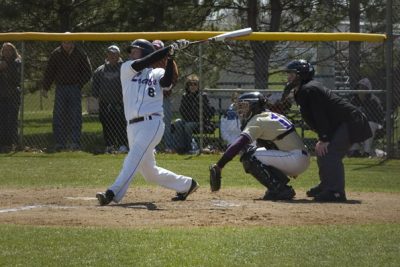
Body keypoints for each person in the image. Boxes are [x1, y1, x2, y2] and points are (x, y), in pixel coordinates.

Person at [96, 39, 199, 206]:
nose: (131, 54)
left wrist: (171, 57)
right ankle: (187, 184)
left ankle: (112, 193)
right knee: (149, 173)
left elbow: (167, 82)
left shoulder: (156, 72)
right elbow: (144, 62)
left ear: (145, 51)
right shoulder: (127, 69)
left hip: (152, 123)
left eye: (135, 50)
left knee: (133, 156)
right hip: (132, 126)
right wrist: (169, 49)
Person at [284, 59, 372, 202]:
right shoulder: (304, 89)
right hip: (341, 123)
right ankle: (327, 185)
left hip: (351, 121)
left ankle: (335, 191)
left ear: (301, 75)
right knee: (323, 152)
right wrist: (324, 138)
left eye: (292, 74)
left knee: (331, 153)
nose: (288, 77)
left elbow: (320, 114)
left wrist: (324, 138)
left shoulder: (309, 89)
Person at [210, 92, 310, 200]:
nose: (241, 110)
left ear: (254, 106)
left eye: (244, 106)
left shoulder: (258, 119)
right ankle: (279, 186)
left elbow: (238, 144)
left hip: (294, 158)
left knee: (249, 155)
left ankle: (279, 188)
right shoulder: (272, 115)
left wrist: (220, 165)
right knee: (253, 150)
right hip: (298, 156)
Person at [42, 39, 92, 151]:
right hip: (60, 88)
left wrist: (79, 84)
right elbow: (50, 71)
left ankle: (75, 143)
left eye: (69, 42)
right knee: (58, 116)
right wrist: (45, 87)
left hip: (75, 88)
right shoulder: (56, 53)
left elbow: (88, 72)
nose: (67, 45)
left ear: (73, 42)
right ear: (61, 43)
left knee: (75, 116)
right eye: (64, 42)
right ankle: (60, 143)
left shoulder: (80, 53)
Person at [92, 45, 128, 154]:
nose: (112, 56)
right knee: (106, 124)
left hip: (120, 103)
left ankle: (123, 145)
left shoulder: (124, 68)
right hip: (104, 103)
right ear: (107, 55)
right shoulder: (100, 70)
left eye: (115, 54)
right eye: (110, 53)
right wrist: (97, 96)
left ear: (119, 55)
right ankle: (109, 145)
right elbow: (95, 86)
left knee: (121, 124)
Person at [175, 74, 215, 154]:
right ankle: (181, 147)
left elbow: (210, 111)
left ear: (198, 86)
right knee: (177, 122)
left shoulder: (202, 96)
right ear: (188, 86)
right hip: (187, 120)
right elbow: (182, 111)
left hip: (200, 121)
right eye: (190, 84)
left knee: (188, 126)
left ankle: (189, 148)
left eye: (195, 84)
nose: (193, 86)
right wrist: (189, 115)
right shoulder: (185, 96)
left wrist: (198, 115)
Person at [152, 40, 179, 153]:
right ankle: (153, 147)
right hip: (151, 98)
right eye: (154, 48)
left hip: (164, 97)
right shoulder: (148, 61)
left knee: (166, 123)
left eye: (158, 48)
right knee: (152, 123)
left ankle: (168, 146)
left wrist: (166, 88)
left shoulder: (169, 61)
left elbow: (175, 76)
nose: (156, 50)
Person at [348, 78, 385, 157]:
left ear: (368, 90)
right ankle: (354, 150)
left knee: (369, 124)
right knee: (352, 125)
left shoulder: (373, 100)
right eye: (359, 87)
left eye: (364, 88)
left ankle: (366, 152)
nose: (361, 90)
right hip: (359, 124)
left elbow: (378, 117)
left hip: (375, 124)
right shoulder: (354, 100)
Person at [0, 42, 22, 153]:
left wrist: (6, 68)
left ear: (13, 51)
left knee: (11, 120)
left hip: (13, 95)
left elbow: (16, 79)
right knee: (2, 119)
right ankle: (3, 144)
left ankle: (12, 143)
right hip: (2, 95)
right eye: (4, 50)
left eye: (9, 50)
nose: (7, 52)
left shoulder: (17, 62)